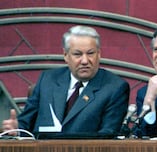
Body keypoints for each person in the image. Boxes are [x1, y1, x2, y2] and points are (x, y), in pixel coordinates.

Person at [2, 25, 130, 136]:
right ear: (65, 55)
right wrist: (16, 129)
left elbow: (108, 136)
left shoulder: (115, 88)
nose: (85, 61)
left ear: (99, 54)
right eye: (77, 54)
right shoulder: (47, 80)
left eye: (90, 53)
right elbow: (26, 124)